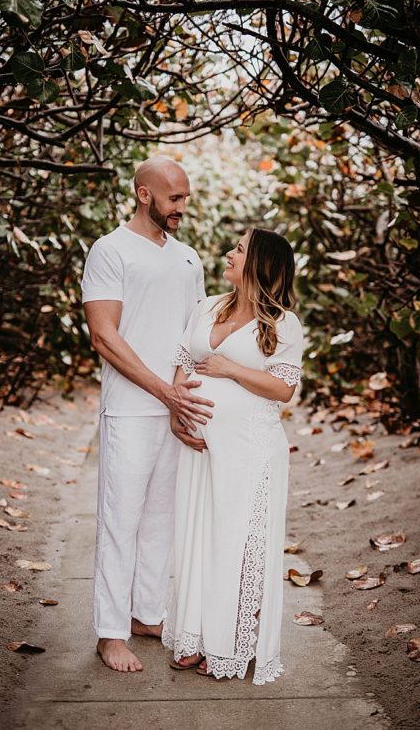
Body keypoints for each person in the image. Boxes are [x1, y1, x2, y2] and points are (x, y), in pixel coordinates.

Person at [82, 156, 212, 673]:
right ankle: (110, 633)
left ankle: (147, 614)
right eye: (174, 198)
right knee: (121, 521)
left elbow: (194, 337)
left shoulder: (189, 258)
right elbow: (103, 336)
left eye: (185, 198)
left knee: (161, 519)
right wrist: (164, 392)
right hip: (130, 410)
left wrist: (182, 399)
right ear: (143, 194)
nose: (182, 207)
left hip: (176, 405)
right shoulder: (110, 250)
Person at [161, 228, 303, 685]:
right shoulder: (208, 307)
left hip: (250, 449)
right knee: (197, 538)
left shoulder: (282, 323)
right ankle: (193, 636)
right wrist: (177, 412)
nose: (229, 253)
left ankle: (226, 646)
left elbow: (283, 388)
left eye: (239, 249)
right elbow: (184, 363)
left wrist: (231, 369)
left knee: (236, 544)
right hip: (201, 447)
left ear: (260, 263)